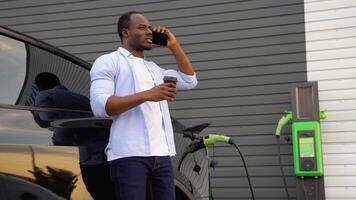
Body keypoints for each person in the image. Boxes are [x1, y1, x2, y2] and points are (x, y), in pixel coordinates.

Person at [90, 11, 198, 200]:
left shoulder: (154, 69)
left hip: (162, 156)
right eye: (142, 27)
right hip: (128, 156)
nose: (149, 31)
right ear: (125, 32)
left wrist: (173, 45)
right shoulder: (108, 61)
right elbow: (100, 106)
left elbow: (190, 81)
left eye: (150, 28)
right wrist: (148, 94)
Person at [32, 72, 115, 200]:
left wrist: (36, 115)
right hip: (106, 152)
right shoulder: (79, 97)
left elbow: (47, 117)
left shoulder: (44, 95)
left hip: (88, 157)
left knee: (98, 193)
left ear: (40, 85)